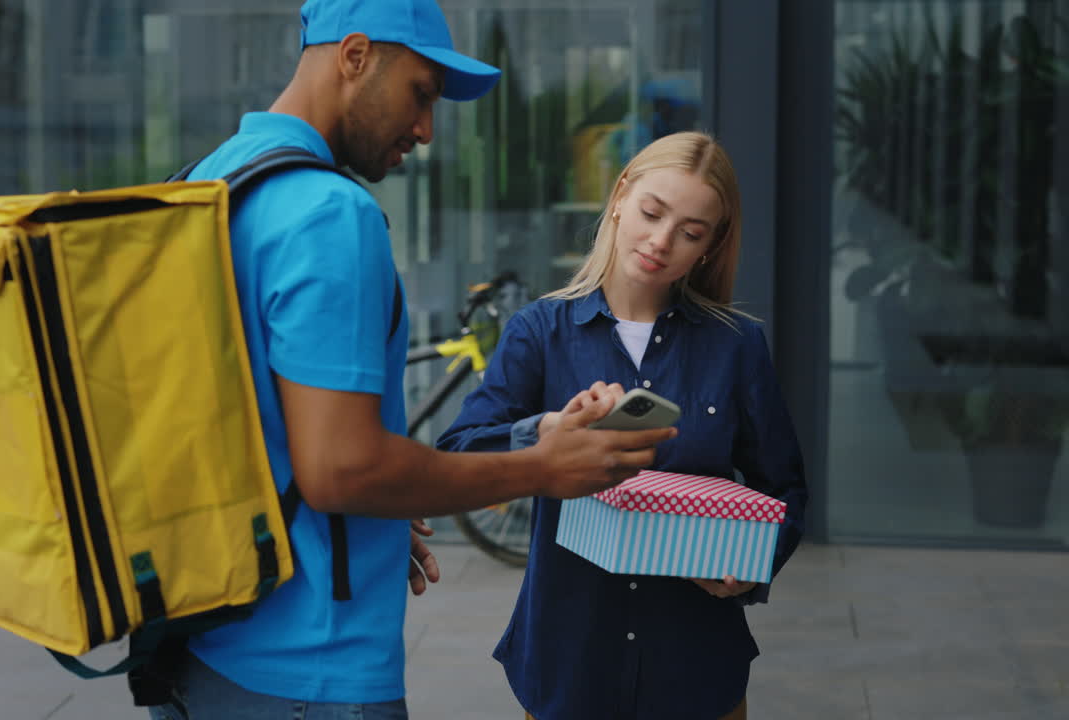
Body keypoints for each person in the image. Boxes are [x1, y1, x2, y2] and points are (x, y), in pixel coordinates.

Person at [147, 1, 677, 718]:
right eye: (421, 94)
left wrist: (385, 515)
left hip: (199, 651)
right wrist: (540, 469)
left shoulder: (212, 177)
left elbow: (250, 419)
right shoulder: (331, 214)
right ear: (356, 56)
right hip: (310, 674)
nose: (426, 131)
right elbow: (342, 469)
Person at [437, 131, 809, 720]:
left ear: (709, 247)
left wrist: (750, 570)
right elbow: (457, 453)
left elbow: (784, 489)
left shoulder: (736, 346)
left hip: (696, 664)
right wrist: (547, 433)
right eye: (651, 212)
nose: (661, 242)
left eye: (690, 232)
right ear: (619, 197)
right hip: (569, 660)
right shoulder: (540, 332)